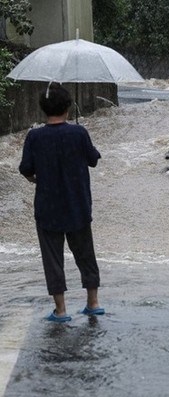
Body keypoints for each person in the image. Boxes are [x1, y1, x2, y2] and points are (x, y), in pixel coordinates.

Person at [19, 83, 104, 323]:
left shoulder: (34, 136)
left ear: (43, 109)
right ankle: (93, 302)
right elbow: (93, 160)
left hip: (47, 208)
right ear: (68, 107)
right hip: (78, 205)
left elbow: (26, 169)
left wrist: (36, 179)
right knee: (85, 254)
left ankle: (61, 310)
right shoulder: (79, 132)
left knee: (53, 259)